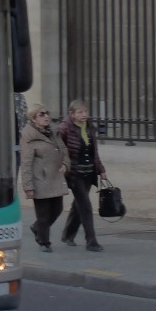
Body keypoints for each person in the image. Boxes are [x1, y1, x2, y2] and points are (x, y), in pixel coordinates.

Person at [58, 99, 106, 251]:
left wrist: (101, 170)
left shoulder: (90, 127)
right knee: (85, 205)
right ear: (72, 114)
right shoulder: (65, 128)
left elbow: (94, 152)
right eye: (80, 112)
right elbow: (59, 149)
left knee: (78, 205)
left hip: (88, 171)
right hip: (74, 173)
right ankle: (91, 241)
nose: (84, 114)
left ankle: (67, 234)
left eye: (85, 111)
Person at [18, 105, 68, 252]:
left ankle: (37, 228)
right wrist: (28, 187)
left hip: (55, 178)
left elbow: (64, 150)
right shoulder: (28, 137)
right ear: (33, 119)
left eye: (47, 113)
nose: (46, 116)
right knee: (43, 214)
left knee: (58, 208)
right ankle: (44, 242)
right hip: (40, 180)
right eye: (41, 114)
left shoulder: (54, 132)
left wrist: (66, 164)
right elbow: (26, 164)